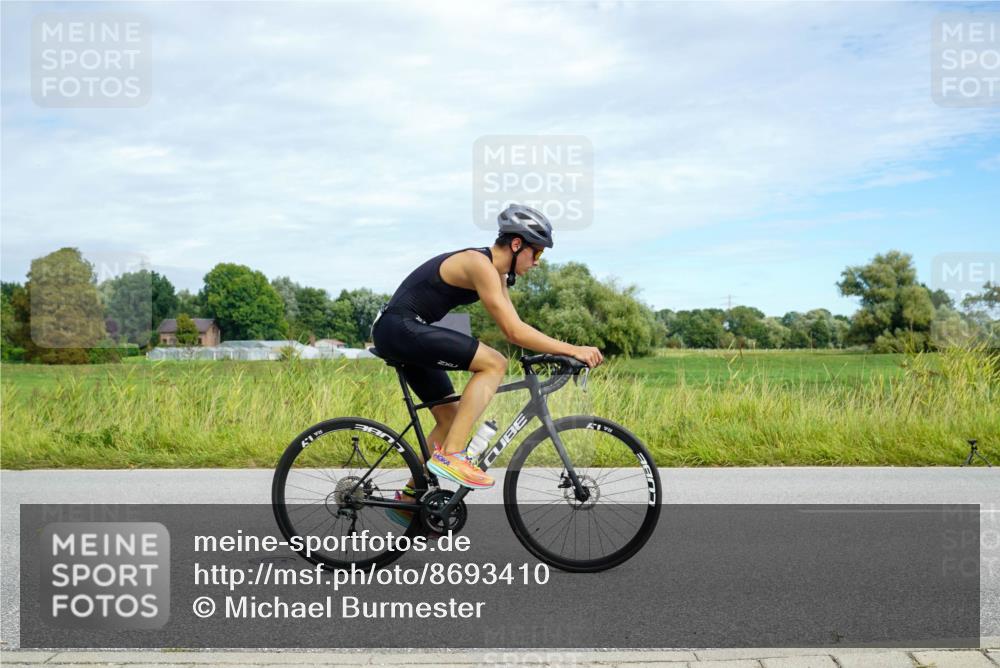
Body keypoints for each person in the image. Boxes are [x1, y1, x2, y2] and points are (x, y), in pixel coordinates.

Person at [371, 204, 603, 519]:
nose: (537, 262)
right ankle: (452, 455)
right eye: (536, 253)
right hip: (399, 328)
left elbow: (517, 326)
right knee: (494, 363)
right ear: (517, 244)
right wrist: (574, 349)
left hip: (404, 331)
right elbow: (512, 332)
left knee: (450, 417)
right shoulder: (479, 264)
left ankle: (411, 499)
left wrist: (561, 351)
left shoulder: (497, 275)